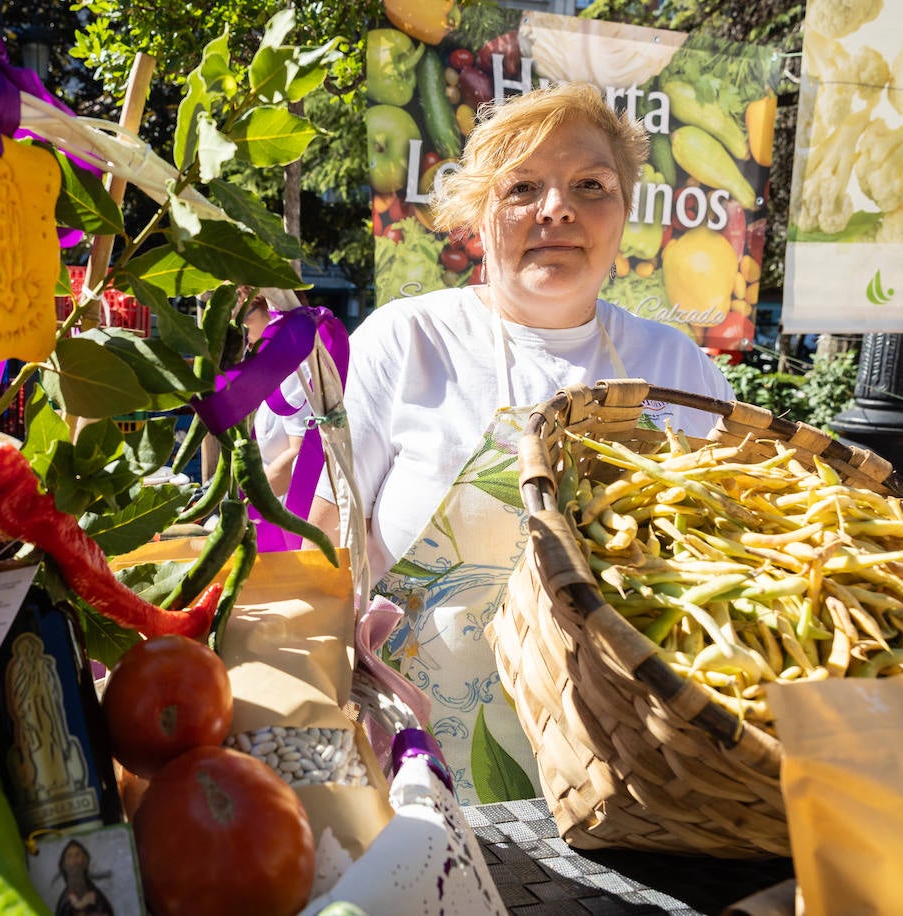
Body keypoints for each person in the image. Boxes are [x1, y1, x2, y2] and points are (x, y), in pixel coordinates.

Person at [308, 83, 734, 804]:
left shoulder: (677, 369)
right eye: (524, 187)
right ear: (480, 213)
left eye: (589, 185)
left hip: (629, 782)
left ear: (624, 212)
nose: (557, 209)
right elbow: (316, 550)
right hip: (416, 772)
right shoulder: (408, 341)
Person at [243, 290, 314, 501]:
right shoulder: (275, 364)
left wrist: (245, 503)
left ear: (273, 311)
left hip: (289, 513)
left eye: (246, 317)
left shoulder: (301, 368)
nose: (242, 327)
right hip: (272, 506)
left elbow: (300, 457)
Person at [53, 839, 114, 916]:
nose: (74, 860)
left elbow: (105, 911)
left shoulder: (94, 893)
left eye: (77, 855)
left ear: (84, 860)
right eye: (69, 856)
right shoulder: (65, 899)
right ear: (64, 864)